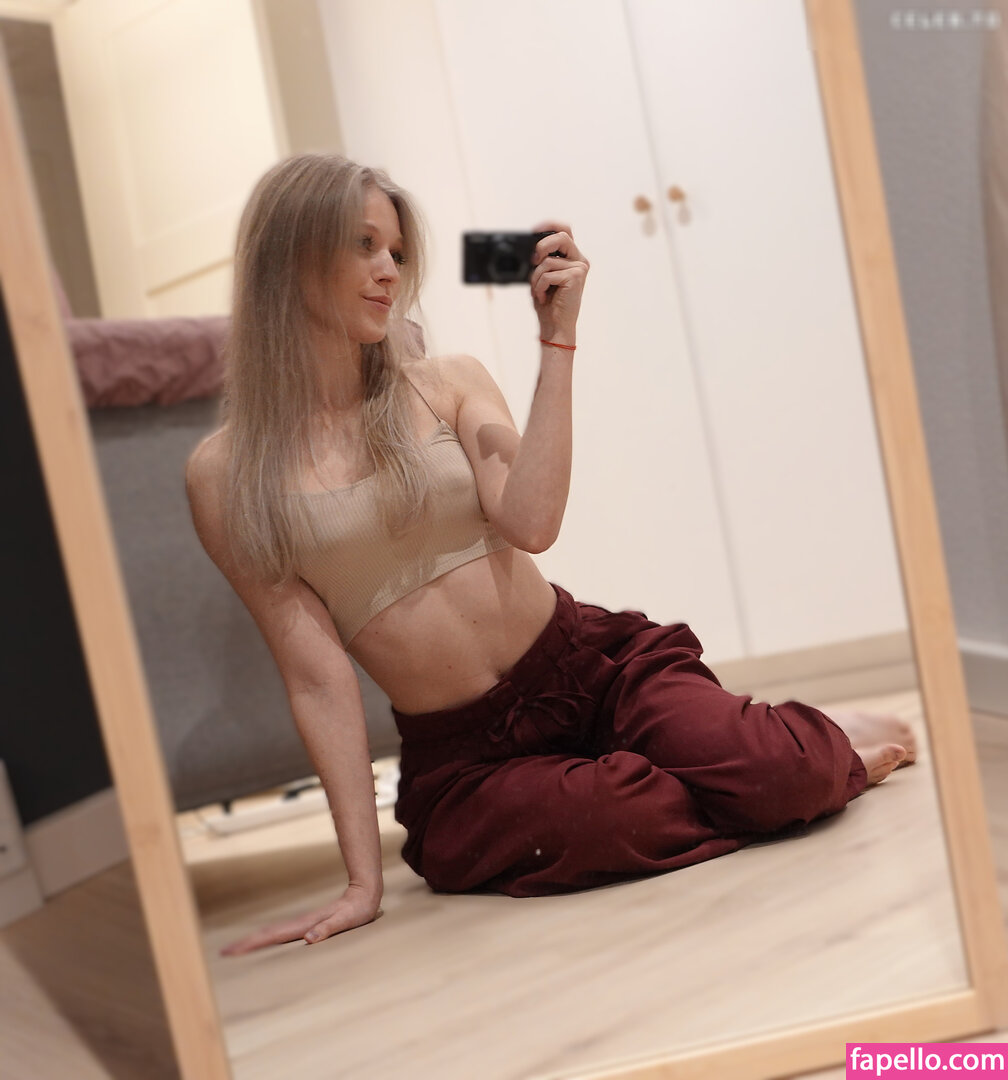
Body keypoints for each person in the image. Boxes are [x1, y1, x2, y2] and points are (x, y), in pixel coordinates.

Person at [186, 153, 916, 956]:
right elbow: (316, 678)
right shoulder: (225, 477)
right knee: (614, 816)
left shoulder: (444, 382)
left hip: (587, 670)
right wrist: (362, 883)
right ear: (289, 254)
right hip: (466, 758)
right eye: (363, 245)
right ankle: (749, 763)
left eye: (395, 250)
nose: (388, 270)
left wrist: (556, 340)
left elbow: (532, 523)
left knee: (774, 775)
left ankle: (783, 753)